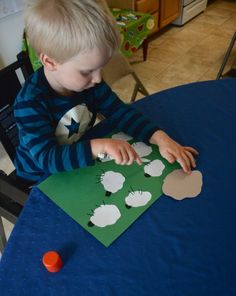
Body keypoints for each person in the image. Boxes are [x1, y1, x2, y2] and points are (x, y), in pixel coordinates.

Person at [14, 0, 198, 183]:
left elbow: (120, 112)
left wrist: (160, 138)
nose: (98, 79)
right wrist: (100, 146)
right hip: (38, 180)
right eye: (87, 71)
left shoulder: (90, 84)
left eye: (100, 68)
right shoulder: (30, 103)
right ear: (50, 62)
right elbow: (48, 159)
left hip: (74, 164)